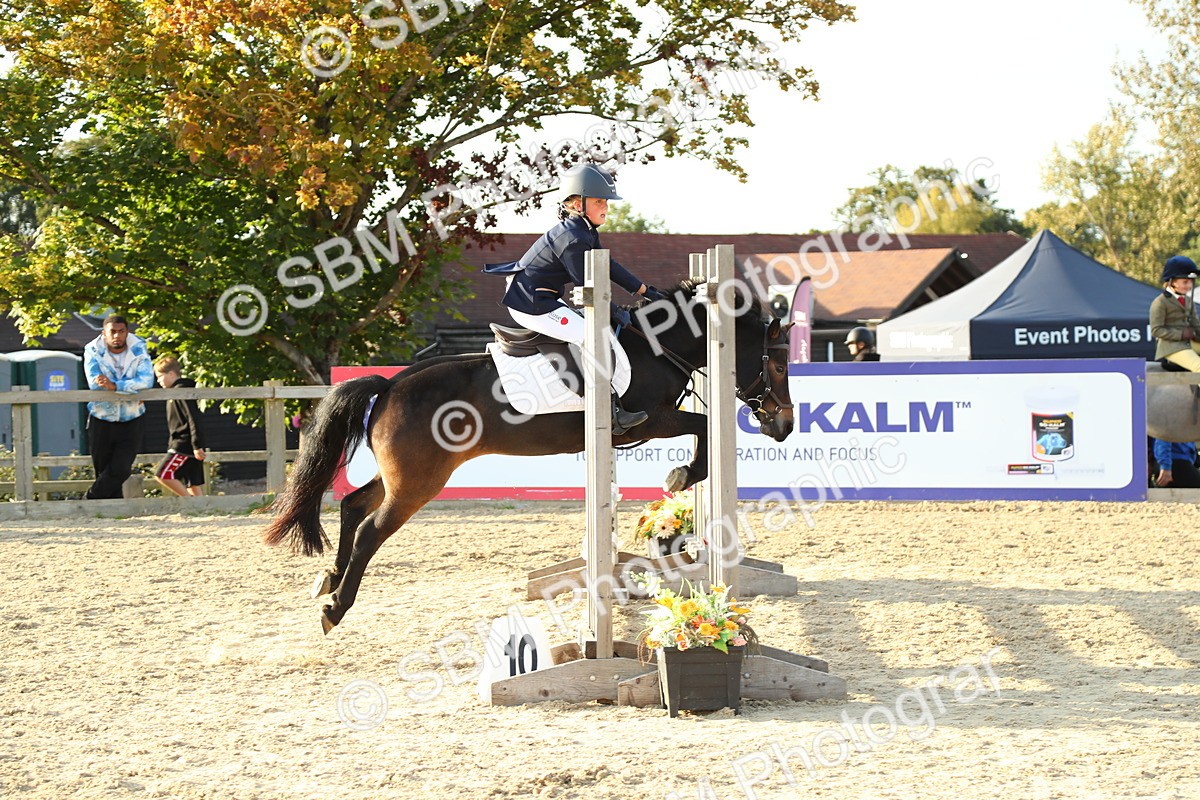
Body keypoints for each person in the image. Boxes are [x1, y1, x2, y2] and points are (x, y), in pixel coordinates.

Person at [483, 163, 667, 434]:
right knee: (589, 335)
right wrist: (615, 311)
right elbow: (588, 284)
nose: (606, 206)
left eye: (605, 200)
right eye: (599, 200)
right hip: (532, 305)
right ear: (577, 204)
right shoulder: (572, 238)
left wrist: (644, 291)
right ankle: (609, 409)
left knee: (595, 330)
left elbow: (608, 265)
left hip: (544, 300)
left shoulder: (584, 230)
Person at [83, 314, 155, 499]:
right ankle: (111, 512)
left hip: (132, 417)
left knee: (122, 469)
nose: (117, 336)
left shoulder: (139, 348)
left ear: (127, 332)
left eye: (121, 331)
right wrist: (131, 388)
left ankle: (90, 499)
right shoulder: (92, 349)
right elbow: (94, 383)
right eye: (112, 332)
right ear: (104, 334)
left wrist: (115, 387)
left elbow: (146, 381)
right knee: (104, 469)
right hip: (101, 416)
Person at [152, 356, 207, 496]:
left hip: (183, 443)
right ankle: (201, 508)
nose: (158, 381)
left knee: (163, 474)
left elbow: (193, 418)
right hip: (186, 442)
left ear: (171, 374)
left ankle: (188, 501)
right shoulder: (174, 393)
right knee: (192, 481)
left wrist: (196, 444)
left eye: (159, 376)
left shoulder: (182, 391)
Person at [1150, 255, 1200, 371]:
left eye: (1191, 282)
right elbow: (1156, 330)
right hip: (1170, 346)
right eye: (1185, 282)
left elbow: (1196, 324)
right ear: (1172, 282)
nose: (1189, 286)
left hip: (1189, 342)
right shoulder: (1160, 302)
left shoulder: (1188, 300)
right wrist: (1181, 334)